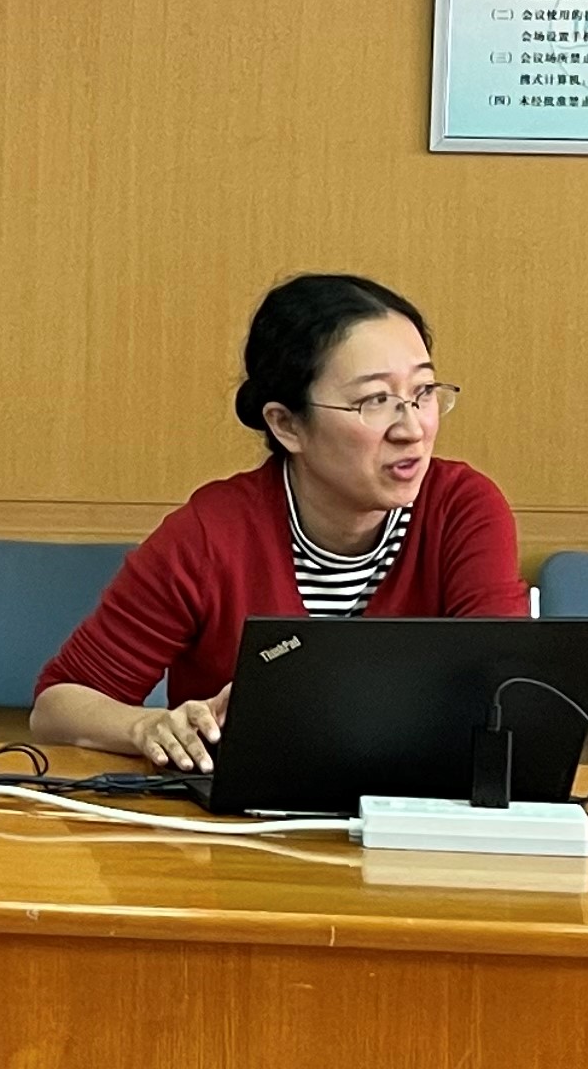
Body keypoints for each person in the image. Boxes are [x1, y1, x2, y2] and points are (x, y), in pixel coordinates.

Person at [29, 272, 522, 768]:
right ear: (287, 424)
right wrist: (147, 727)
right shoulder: (212, 534)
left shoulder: (462, 509)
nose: (412, 428)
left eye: (423, 391)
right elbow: (56, 708)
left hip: (416, 804)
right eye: (375, 401)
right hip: (235, 812)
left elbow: (513, 694)